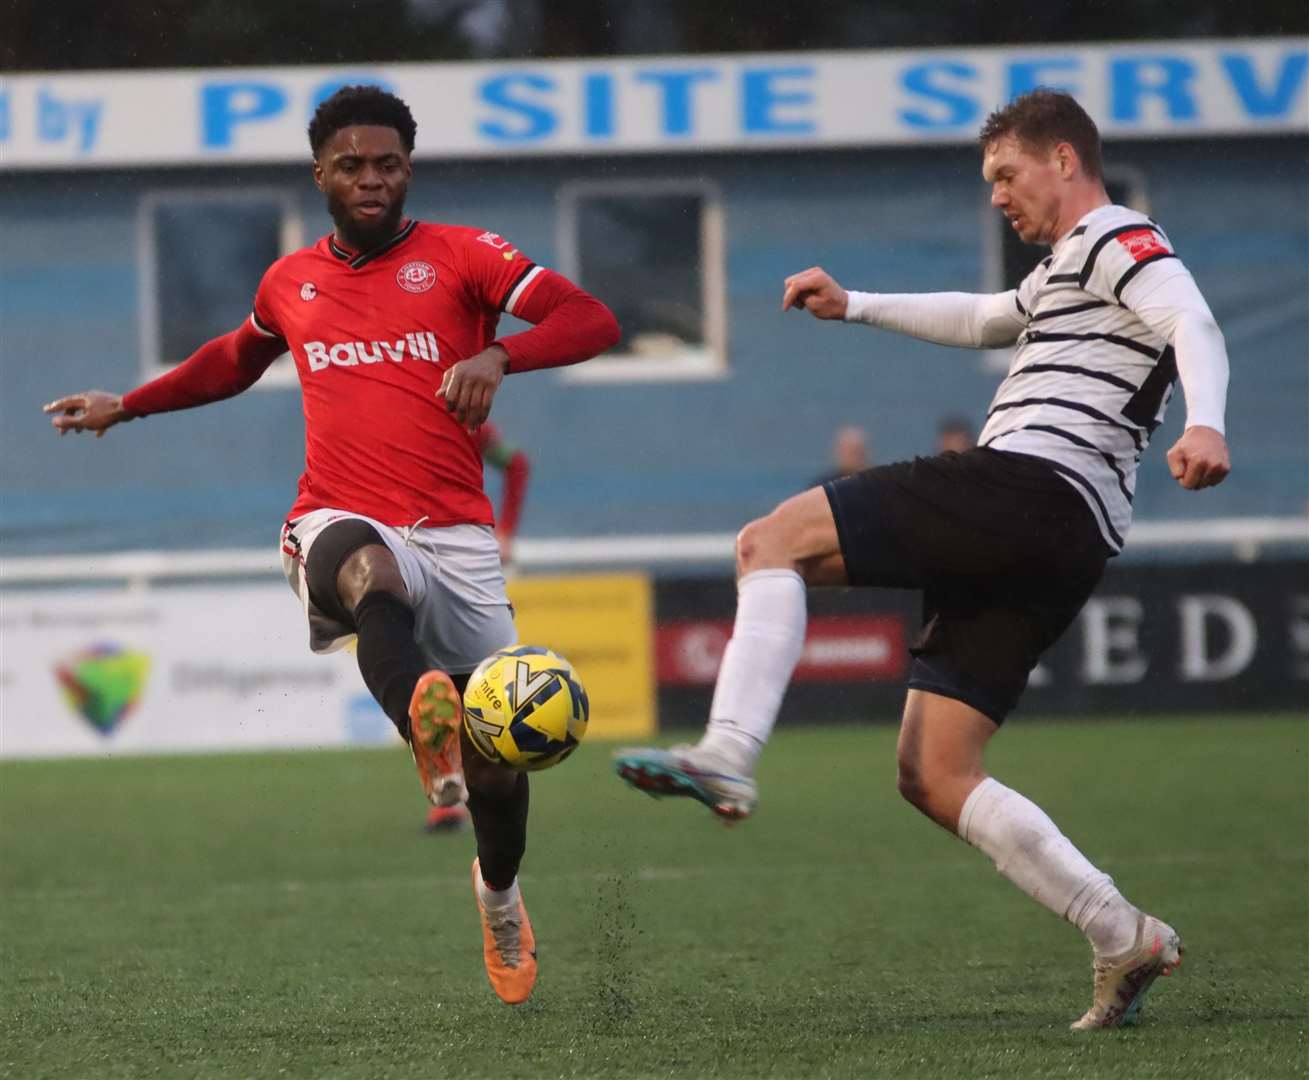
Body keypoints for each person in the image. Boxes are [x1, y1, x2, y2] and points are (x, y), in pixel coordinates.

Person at [614, 89, 1230, 1029]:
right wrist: (854, 303)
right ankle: (1121, 933)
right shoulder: (1066, 268)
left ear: (1064, 158)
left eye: (1004, 174)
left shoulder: (1115, 235)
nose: (996, 196)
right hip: (1068, 535)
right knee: (933, 770)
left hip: (1030, 485)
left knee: (767, 541)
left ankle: (728, 753)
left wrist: (1208, 423)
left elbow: (1193, 321)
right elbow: (988, 318)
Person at [44, 85, 620, 1005]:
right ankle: (422, 728)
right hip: (337, 511)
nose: (370, 179)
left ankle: (500, 896)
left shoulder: (465, 257)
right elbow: (235, 359)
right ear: (320, 173)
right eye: (351, 164)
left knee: (500, 776)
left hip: (459, 536)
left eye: (387, 163)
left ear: (407, 170)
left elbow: (589, 318)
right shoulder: (291, 281)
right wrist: (131, 402)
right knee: (362, 570)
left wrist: (500, 354)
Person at [424, 420, 530, 834]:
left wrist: (506, 530)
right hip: (414, 561)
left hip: (471, 565)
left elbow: (516, 463)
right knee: (427, 685)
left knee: (477, 683)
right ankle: (450, 795)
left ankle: (479, 790)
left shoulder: (465, 420)